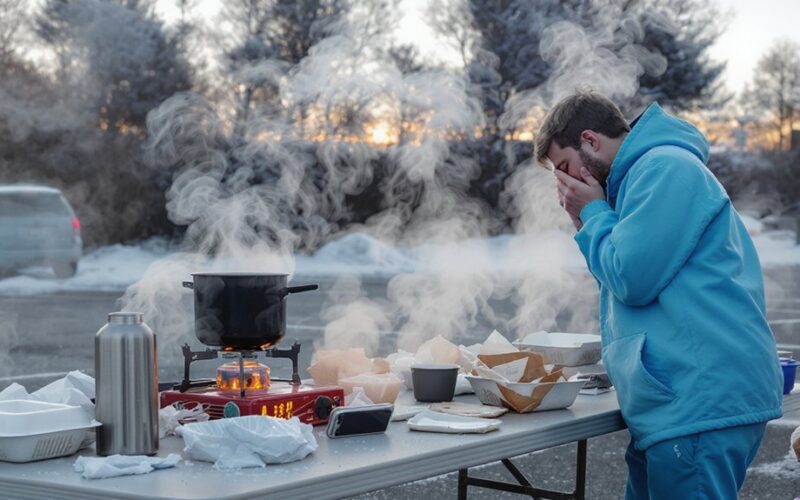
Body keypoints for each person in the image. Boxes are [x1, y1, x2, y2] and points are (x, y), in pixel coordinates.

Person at [534, 90, 783, 499]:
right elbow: (621, 278)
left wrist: (593, 213)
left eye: (566, 166)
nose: (566, 182)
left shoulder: (664, 169)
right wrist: (588, 217)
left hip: (698, 404)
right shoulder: (635, 181)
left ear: (591, 141)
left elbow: (633, 279)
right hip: (674, 405)